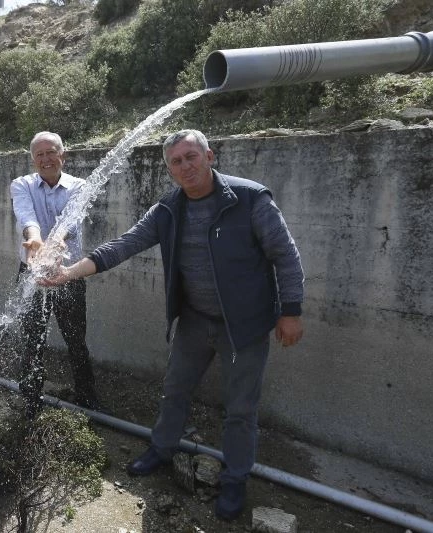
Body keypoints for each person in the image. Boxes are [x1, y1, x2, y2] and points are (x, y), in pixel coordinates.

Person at [38, 129, 304, 520]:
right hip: (195, 320)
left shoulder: (249, 199)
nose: (185, 166)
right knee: (174, 390)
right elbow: (123, 244)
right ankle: (161, 449)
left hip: (243, 326)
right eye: (176, 162)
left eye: (191, 157)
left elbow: (286, 255)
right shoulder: (169, 209)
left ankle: (233, 480)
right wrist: (69, 273)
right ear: (170, 170)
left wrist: (291, 311)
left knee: (241, 409)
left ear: (209, 156)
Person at [10, 131, 100, 415]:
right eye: (40, 154)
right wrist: (35, 238)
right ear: (33, 159)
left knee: (76, 339)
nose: (46, 159)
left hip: (68, 273)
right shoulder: (21, 184)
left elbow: (70, 219)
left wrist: (57, 239)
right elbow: (26, 215)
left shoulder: (80, 185)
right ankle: (31, 401)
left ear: (63, 155)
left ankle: (87, 400)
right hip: (32, 273)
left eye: (51, 152)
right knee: (31, 339)